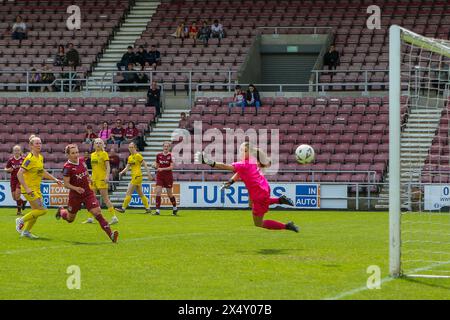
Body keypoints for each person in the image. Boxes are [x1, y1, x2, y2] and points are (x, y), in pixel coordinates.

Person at [194, 142, 299, 232]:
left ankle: (286, 225)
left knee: (258, 223)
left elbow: (225, 166)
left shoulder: (243, 164)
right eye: (240, 150)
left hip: (257, 192)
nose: (241, 152)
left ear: (249, 152)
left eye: (243, 150)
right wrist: (230, 182)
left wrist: (209, 162)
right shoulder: (252, 161)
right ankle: (279, 200)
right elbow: (240, 173)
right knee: (252, 204)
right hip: (263, 188)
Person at [55, 144, 119, 243]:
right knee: (70, 219)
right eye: (73, 153)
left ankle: (111, 234)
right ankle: (61, 211)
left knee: (97, 212)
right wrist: (76, 188)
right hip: (75, 196)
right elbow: (66, 184)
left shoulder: (81, 161)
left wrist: (89, 178)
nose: (76, 155)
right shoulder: (67, 167)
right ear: (67, 155)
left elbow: (85, 172)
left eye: (76, 152)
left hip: (87, 193)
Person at [15, 135, 63, 239]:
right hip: (29, 189)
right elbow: (19, 173)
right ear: (31, 146)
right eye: (36, 143)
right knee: (43, 210)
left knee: (35, 212)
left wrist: (55, 179)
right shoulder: (29, 158)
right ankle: (21, 220)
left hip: (36, 189)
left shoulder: (40, 157)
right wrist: (27, 188)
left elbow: (42, 172)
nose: (39, 145)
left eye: (40, 143)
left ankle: (26, 232)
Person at [83, 139, 119, 225]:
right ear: (94, 145)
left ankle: (114, 217)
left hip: (102, 178)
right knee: (92, 199)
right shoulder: (92, 155)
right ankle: (91, 218)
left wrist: (107, 176)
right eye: (96, 143)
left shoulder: (104, 154)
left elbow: (108, 166)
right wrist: (90, 177)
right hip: (94, 179)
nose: (98, 144)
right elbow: (93, 168)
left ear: (102, 145)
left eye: (100, 143)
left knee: (105, 199)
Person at [115, 142, 153, 214]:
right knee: (141, 194)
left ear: (135, 148)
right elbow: (127, 167)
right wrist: (122, 172)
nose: (131, 149)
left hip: (137, 176)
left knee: (128, 193)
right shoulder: (130, 157)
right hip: (135, 176)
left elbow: (144, 164)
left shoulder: (138, 155)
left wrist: (148, 174)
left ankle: (123, 208)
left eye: (132, 147)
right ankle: (148, 208)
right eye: (129, 147)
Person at [154, 141, 177, 215]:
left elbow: (171, 167)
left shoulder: (171, 156)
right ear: (163, 147)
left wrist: (162, 169)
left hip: (168, 176)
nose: (166, 147)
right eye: (165, 146)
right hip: (160, 176)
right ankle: (157, 210)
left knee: (169, 194)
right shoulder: (158, 155)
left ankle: (174, 208)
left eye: (167, 146)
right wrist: (154, 166)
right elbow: (157, 165)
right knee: (158, 192)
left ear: (169, 147)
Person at [4, 145, 26, 215]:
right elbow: (5, 168)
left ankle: (19, 211)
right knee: (14, 198)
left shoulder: (23, 159)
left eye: (18, 150)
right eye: (15, 150)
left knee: (17, 195)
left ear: (20, 151)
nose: (16, 152)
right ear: (13, 151)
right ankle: (22, 202)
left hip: (20, 179)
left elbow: (27, 168)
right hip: (13, 179)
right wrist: (8, 170)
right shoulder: (11, 160)